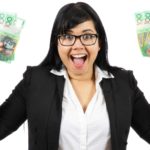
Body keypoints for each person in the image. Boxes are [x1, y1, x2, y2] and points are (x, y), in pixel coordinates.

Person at [0, 2, 150, 150]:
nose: (77, 45)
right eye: (67, 36)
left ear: (100, 43)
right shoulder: (34, 82)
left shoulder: (124, 84)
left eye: (87, 36)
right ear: (56, 43)